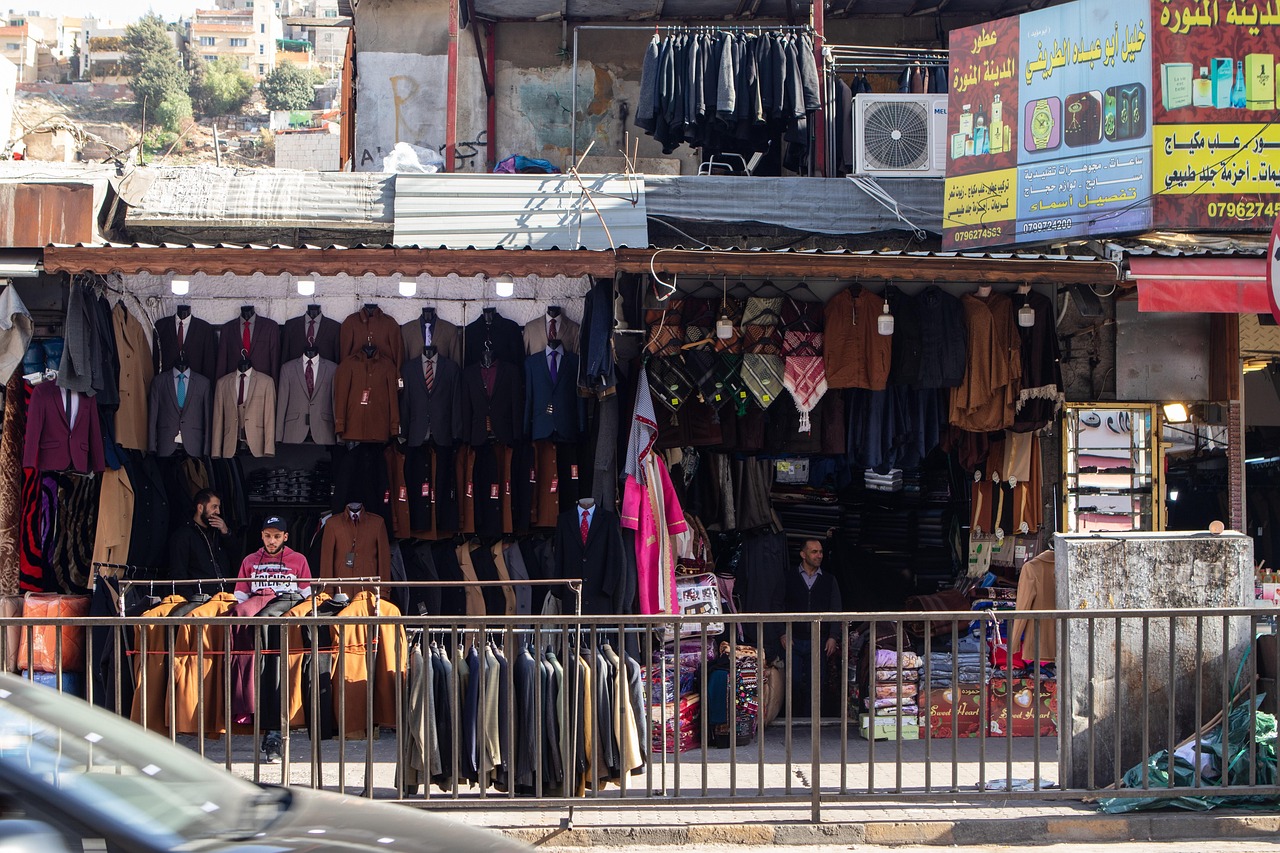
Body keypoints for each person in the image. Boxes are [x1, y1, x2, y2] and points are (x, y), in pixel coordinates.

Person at [234, 516, 313, 763]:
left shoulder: (298, 560)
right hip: (255, 631)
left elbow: (307, 597)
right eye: (268, 535)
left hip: (283, 631)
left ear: (285, 537)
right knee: (256, 678)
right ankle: (264, 729)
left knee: (277, 678)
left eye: (277, 536)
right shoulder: (249, 561)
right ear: (261, 536)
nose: (272, 541)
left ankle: (274, 733)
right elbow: (239, 596)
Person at [779, 538, 844, 718]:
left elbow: (836, 609)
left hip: (819, 640)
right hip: (794, 639)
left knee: (816, 683)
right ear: (803, 554)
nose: (819, 555)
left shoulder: (829, 580)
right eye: (814, 552)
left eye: (821, 552)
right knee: (793, 681)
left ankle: (810, 720)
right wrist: (782, 633)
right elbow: (778, 605)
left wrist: (833, 636)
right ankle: (793, 719)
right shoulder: (788, 577)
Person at [167, 489, 233, 590]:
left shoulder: (218, 532)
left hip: (224, 596)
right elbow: (178, 574)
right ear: (200, 508)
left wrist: (226, 532)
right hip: (199, 599)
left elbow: (236, 557)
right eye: (214, 507)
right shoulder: (183, 535)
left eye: (218, 507)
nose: (218, 512)